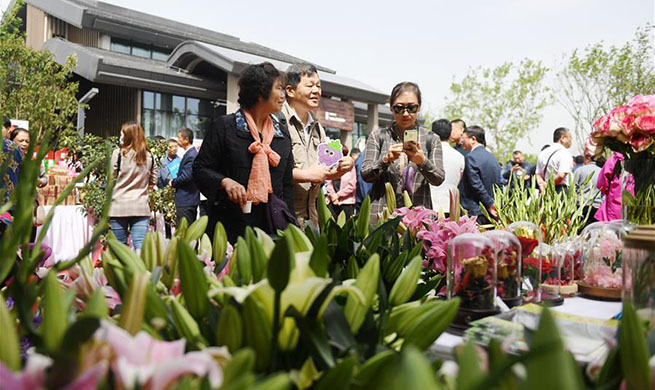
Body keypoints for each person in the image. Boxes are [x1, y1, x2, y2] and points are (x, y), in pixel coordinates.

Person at [193, 62, 295, 243]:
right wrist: (224, 182)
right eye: (279, 89)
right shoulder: (225, 127)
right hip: (229, 230)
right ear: (260, 92)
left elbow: (287, 188)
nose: (283, 95)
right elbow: (199, 169)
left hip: (271, 230)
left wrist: (291, 229)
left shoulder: (282, 137)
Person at [281, 63, 353, 227]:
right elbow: (269, 170)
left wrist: (342, 169)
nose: (316, 91)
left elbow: (324, 172)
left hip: (311, 218)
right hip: (284, 215)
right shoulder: (277, 120)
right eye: (310, 85)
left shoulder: (318, 128)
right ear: (290, 90)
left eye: (318, 86)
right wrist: (306, 175)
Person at [361, 82, 445, 223]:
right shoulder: (378, 136)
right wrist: (385, 160)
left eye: (412, 107)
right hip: (382, 218)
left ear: (419, 108)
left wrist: (422, 161)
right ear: (391, 108)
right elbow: (366, 175)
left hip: (418, 220)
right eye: (399, 108)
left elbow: (438, 179)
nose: (405, 113)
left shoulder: (431, 139)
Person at [109, 121, 158, 250]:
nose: (120, 137)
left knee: (120, 249)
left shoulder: (118, 154)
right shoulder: (150, 156)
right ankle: (140, 270)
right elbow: (154, 181)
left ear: (128, 136)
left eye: (122, 134)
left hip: (119, 206)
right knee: (140, 247)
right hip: (140, 206)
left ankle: (122, 270)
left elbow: (111, 177)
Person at [459, 126, 500, 224]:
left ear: (473, 139)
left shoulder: (471, 157)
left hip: (477, 211)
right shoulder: (492, 158)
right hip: (492, 211)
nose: (461, 142)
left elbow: (476, 185)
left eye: (463, 139)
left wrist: (489, 204)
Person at [429, 119, 464, 216]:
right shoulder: (459, 157)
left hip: (430, 206)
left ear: (432, 133)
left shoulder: (426, 154)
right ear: (450, 134)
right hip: (450, 207)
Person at [171, 128, 200, 225]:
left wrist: (173, 182)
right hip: (188, 200)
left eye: (179, 138)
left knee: (186, 234)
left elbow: (186, 176)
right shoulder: (190, 154)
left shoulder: (191, 155)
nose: (178, 140)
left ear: (186, 139)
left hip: (186, 201)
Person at [595, 152, 632, 222]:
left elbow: (601, 183)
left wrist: (608, 192)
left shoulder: (616, 158)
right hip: (641, 208)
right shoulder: (648, 157)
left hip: (614, 207)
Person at [536, 127, 573, 193]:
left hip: (544, 190)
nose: (571, 140)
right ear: (563, 138)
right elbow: (561, 175)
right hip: (560, 191)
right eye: (570, 137)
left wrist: (542, 186)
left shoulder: (543, 152)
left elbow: (538, 174)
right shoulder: (564, 153)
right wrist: (548, 185)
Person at [325, 145, 357, 218]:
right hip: (332, 202)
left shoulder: (351, 167)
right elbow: (328, 181)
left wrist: (338, 195)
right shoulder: (331, 164)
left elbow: (352, 185)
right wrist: (332, 195)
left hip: (346, 203)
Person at [574, 152, 603, 226]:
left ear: (588, 158)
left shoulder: (579, 170)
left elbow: (573, 188)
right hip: (597, 205)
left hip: (581, 205)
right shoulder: (602, 171)